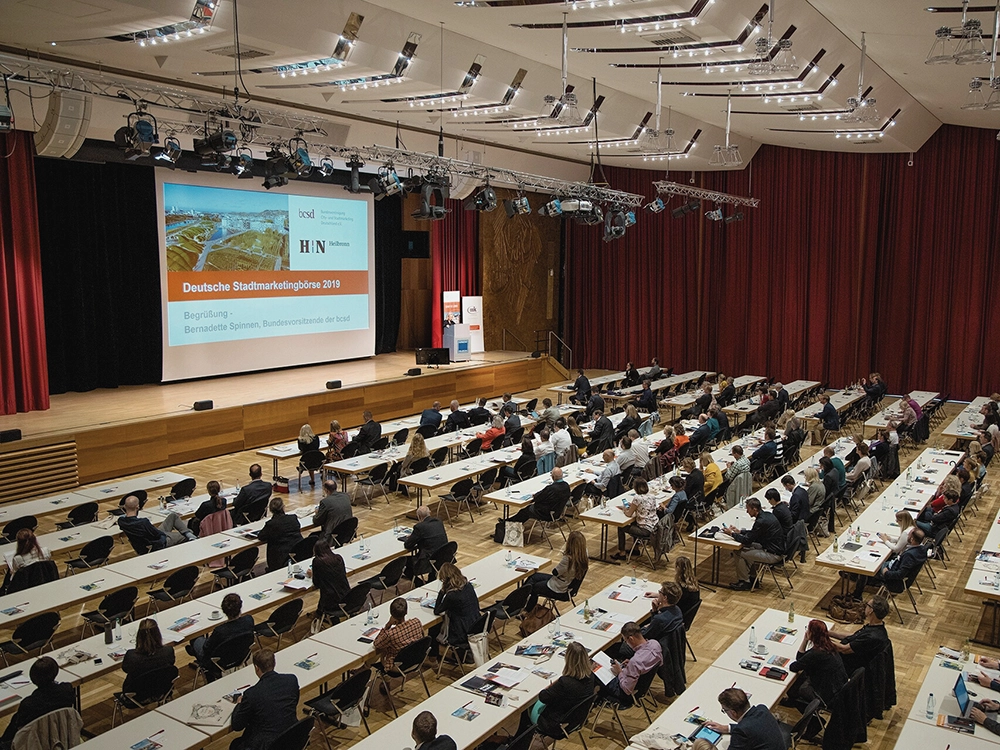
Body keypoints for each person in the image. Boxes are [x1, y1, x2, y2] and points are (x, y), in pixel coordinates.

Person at [522, 641, 596, 748]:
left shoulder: (565, 682)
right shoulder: (590, 677)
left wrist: (550, 687)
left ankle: (520, 741)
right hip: (575, 720)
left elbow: (543, 697)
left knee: (526, 708)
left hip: (555, 724)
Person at [230, 648, 299, 750]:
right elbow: (294, 702)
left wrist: (239, 703)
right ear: (274, 663)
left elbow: (237, 725)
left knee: (235, 745)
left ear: (256, 668)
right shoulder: (291, 680)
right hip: (292, 736)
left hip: (267, 745)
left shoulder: (252, 694)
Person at [0, 657, 75, 749]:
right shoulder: (67, 690)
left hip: (32, 742)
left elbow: (15, 730)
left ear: (33, 679)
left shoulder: (28, 704)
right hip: (62, 734)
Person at [186, 593, 253, 681]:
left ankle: (198, 658)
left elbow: (207, 649)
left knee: (195, 638)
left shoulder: (220, 631)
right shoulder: (249, 620)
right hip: (241, 655)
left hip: (218, 662)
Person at [723, 497, 784, 591]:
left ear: (754, 509)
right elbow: (754, 533)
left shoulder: (760, 521)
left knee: (738, 552)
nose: (747, 512)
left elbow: (746, 540)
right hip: (773, 548)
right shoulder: (767, 515)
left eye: (748, 509)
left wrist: (731, 533)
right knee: (747, 549)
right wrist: (740, 531)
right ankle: (752, 578)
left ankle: (745, 582)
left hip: (773, 554)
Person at [788, 619, 848, 707]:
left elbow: (794, 666)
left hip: (827, 694)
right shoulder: (830, 646)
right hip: (838, 687)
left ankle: (796, 704)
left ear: (812, 633)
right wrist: (806, 640)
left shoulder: (815, 653)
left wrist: (805, 640)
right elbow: (801, 659)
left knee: (795, 687)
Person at [703, 687, 787, 750]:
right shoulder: (762, 709)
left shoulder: (741, 731)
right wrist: (727, 728)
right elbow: (754, 727)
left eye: (724, 710)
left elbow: (746, 729)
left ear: (733, 713)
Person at [525, 530, 589, 610]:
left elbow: (555, 572)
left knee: (533, 587)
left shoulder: (568, 559)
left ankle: (527, 610)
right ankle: (522, 600)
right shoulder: (584, 555)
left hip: (560, 588)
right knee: (533, 577)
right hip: (567, 583)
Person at [600, 621, 662, 702]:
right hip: (643, 684)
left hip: (627, 694)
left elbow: (627, 690)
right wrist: (631, 667)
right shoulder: (655, 644)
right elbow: (659, 663)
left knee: (597, 674)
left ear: (631, 639)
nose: (626, 643)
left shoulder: (635, 662)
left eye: (625, 641)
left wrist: (619, 672)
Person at [428, 563, 479, 659]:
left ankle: (433, 657)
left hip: (462, 632)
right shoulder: (468, 586)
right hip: (476, 624)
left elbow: (437, 610)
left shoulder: (452, 595)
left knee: (433, 628)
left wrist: (442, 591)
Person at [828, 596, 891, 675]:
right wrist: (829, 633)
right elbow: (854, 636)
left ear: (871, 610)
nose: (865, 607)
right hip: (846, 656)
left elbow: (844, 650)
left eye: (867, 605)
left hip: (847, 665)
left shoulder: (872, 637)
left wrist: (822, 639)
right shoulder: (876, 626)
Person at [118, 495, 196, 552]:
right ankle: (189, 536)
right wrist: (165, 534)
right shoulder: (143, 522)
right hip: (156, 543)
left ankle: (187, 534)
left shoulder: (121, 521)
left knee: (173, 516)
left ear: (124, 506)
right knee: (187, 534)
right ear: (137, 507)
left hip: (146, 541)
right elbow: (158, 535)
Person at [611, 478, 657, 561]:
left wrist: (625, 509)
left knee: (621, 527)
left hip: (645, 530)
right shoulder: (652, 496)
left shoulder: (637, 498)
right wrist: (633, 505)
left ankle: (622, 552)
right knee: (634, 523)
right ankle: (635, 548)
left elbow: (629, 514)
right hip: (654, 527)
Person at [402, 506, 449, 583]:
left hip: (426, 562)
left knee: (402, 562)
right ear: (429, 513)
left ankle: (419, 583)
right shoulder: (439, 522)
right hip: (443, 557)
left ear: (419, 516)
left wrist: (414, 538)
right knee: (434, 552)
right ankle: (431, 580)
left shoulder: (419, 527)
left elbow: (408, 545)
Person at [373, 598, 424, 668]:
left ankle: (364, 668)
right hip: (416, 661)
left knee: (383, 648)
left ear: (391, 614)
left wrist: (388, 625)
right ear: (406, 612)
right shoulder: (416, 622)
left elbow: (376, 644)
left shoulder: (390, 634)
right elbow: (423, 637)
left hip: (397, 667)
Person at [122, 618, 175, 684]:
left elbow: (126, 669)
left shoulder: (131, 656)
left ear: (139, 636)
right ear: (158, 634)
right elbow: (171, 663)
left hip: (138, 690)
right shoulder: (168, 651)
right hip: (162, 687)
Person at [307, 538, 350, 619]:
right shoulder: (338, 558)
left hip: (331, 602)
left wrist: (313, 574)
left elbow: (317, 584)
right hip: (347, 596)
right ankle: (319, 613)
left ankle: (320, 614)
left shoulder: (317, 561)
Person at [257, 497, 302, 572]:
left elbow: (261, 536)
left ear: (271, 510)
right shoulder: (293, 518)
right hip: (298, 551)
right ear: (283, 507)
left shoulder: (271, 524)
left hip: (279, 557)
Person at [724, 444, 751, 508]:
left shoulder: (737, 464)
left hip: (737, 484)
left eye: (733, 454)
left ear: (736, 454)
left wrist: (729, 468)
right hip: (745, 483)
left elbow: (729, 477)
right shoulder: (747, 460)